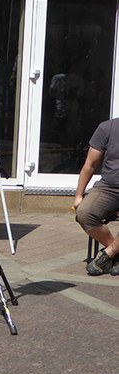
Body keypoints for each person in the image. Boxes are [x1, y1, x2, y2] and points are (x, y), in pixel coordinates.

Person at [75, 117, 119, 276]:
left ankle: (109, 253)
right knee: (84, 213)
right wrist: (79, 195)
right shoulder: (107, 128)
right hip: (108, 187)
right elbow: (90, 164)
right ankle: (116, 253)